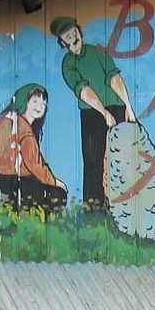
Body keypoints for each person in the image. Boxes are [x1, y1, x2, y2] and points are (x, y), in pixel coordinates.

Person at [50, 16, 136, 211]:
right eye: (67, 35)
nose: (72, 37)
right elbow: (83, 91)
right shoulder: (68, 64)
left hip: (117, 109)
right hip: (92, 113)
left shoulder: (98, 53)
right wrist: (103, 112)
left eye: (73, 32)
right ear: (62, 42)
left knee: (121, 158)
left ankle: (122, 207)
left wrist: (128, 106)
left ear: (79, 32)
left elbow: (114, 78)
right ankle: (94, 211)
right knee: (93, 161)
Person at [0, 83, 68, 214]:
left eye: (43, 102)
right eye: (35, 101)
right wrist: (55, 182)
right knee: (55, 192)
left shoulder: (11, 119)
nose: (40, 106)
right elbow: (34, 163)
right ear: (24, 101)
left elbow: (31, 160)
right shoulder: (22, 127)